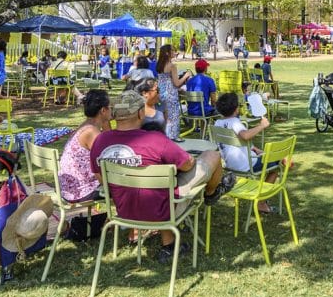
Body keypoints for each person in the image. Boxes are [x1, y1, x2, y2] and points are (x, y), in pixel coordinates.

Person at [91, 90, 232, 262]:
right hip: (164, 211)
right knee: (212, 155)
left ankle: (170, 243)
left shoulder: (100, 141)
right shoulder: (155, 140)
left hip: (123, 211)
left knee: (160, 185)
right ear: (140, 113)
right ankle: (212, 193)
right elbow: (187, 163)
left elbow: (100, 177)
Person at [214, 92, 278, 212]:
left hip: (230, 165)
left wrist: (256, 150)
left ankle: (259, 191)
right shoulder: (235, 123)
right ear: (236, 108)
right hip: (247, 165)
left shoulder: (217, 123)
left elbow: (239, 144)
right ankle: (261, 203)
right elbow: (245, 136)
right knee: (275, 166)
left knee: (267, 159)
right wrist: (261, 126)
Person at [58, 89, 111, 203]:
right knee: (127, 187)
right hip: (81, 191)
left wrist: (106, 122)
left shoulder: (86, 125)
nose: (112, 110)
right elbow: (107, 160)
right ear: (103, 110)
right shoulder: (92, 132)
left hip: (70, 187)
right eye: (110, 107)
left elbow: (107, 141)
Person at [156, 44, 191, 140]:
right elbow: (177, 83)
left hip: (161, 93)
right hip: (171, 95)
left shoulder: (159, 65)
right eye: (172, 50)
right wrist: (186, 76)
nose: (174, 52)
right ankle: (172, 137)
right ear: (167, 53)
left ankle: (164, 137)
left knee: (165, 117)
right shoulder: (172, 66)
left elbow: (165, 81)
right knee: (173, 117)